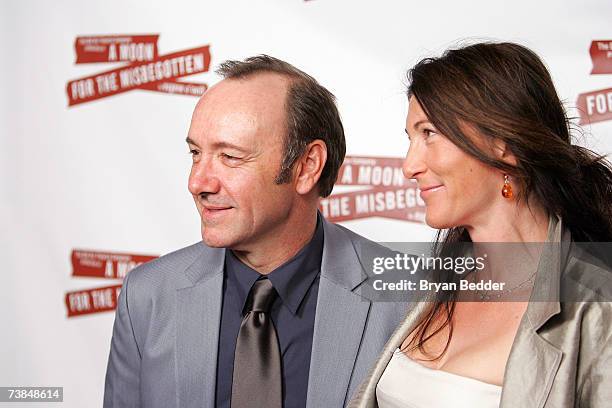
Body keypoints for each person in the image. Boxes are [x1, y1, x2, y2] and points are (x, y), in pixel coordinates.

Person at [103, 55, 408, 408]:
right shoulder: (147, 295)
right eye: (195, 153)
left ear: (307, 167)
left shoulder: (408, 297)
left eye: (230, 157)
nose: (197, 182)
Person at [349, 42, 612, 407]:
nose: (409, 167)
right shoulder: (438, 285)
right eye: (411, 139)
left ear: (503, 144)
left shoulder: (598, 307)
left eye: (429, 134)